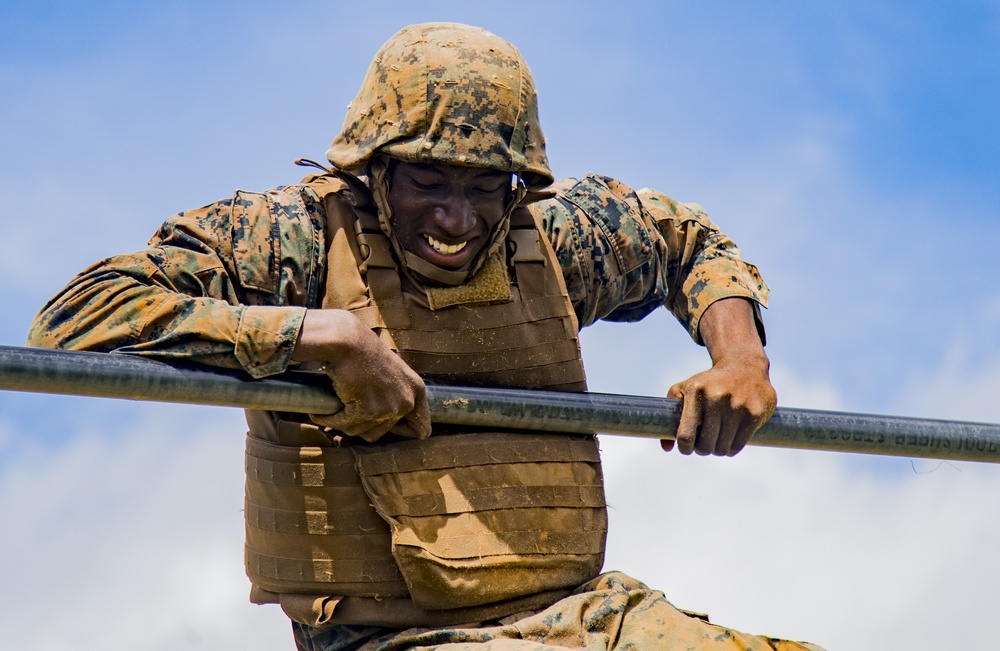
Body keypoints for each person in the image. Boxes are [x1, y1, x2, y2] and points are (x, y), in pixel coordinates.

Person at [28, 22, 821, 651]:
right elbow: (76, 317)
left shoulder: (553, 241)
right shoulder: (294, 241)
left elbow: (684, 241)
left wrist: (741, 359)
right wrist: (320, 338)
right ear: (374, 169)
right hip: (390, 636)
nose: (457, 218)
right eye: (428, 181)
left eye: (485, 186)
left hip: (582, 614)